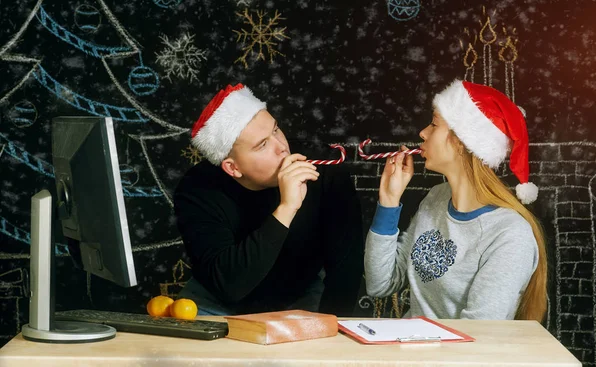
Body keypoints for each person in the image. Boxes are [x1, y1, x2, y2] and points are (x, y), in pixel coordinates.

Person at [365, 79, 548, 321]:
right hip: (410, 351)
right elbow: (381, 284)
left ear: (462, 142)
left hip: (452, 357)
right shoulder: (436, 198)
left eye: (433, 124)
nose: (423, 132)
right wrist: (388, 201)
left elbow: (477, 337)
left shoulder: (510, 235)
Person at [174, 83, 364, 316]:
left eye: (275, 130)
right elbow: (230, 285)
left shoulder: (323, 168)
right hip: (218, 300)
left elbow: (346, 268)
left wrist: (332, 335)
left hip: (297, 296)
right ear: (233, 168)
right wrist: (287, 208)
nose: (282, 148)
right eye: (262, 145)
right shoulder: (198, 190)